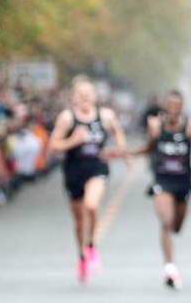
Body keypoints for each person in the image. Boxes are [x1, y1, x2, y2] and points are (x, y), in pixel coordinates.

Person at [46, 76, 130, 284]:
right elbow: (53, 144)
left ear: (95, 96)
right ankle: (82, 256)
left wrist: (122, 152)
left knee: (91, 206)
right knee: (79, 220)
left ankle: (91, 245)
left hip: (97, 168)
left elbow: (118, 133)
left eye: (88, 94)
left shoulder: (105, 116)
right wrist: (72, 141)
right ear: (74, 98)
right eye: (80, 94)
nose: (84, 98)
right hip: (74, 171)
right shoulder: (67, 118)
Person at [135, 91, 191, 289]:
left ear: (182, 107)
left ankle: (171, 259)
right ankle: (170, 268)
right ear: (164, 107)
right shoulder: (156, 126)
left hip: (183, 182)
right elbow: (148, 148)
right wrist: (123, 154)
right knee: (166, 223)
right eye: (169, 106)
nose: (173, 110)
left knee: (177, 226)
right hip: (162, 180)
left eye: (177, 106)